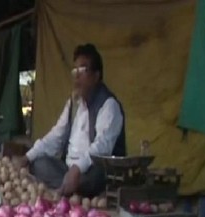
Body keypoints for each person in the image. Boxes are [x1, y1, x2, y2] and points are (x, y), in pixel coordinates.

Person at [20, 44, 126, 198]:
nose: (77, 76)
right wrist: (27, 157)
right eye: (75, 70)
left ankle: (70, 188)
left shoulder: (109, 105)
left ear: (96, 76)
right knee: (39, 163)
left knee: (95, 175)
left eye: (83, 70)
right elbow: (56, 136)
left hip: (90, 171)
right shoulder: (74, 102)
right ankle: (71, 188)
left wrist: (77, 169)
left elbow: (102, 147)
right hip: (67, 169)